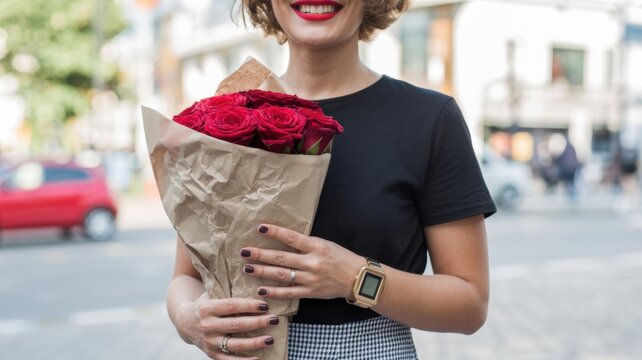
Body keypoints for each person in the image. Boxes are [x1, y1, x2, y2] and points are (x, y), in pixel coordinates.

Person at [166, 1, 497, 359]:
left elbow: (470, 304)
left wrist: (354, 276)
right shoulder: (225, 116)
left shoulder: (430, 119)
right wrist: (188, 319)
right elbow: (186, 278)